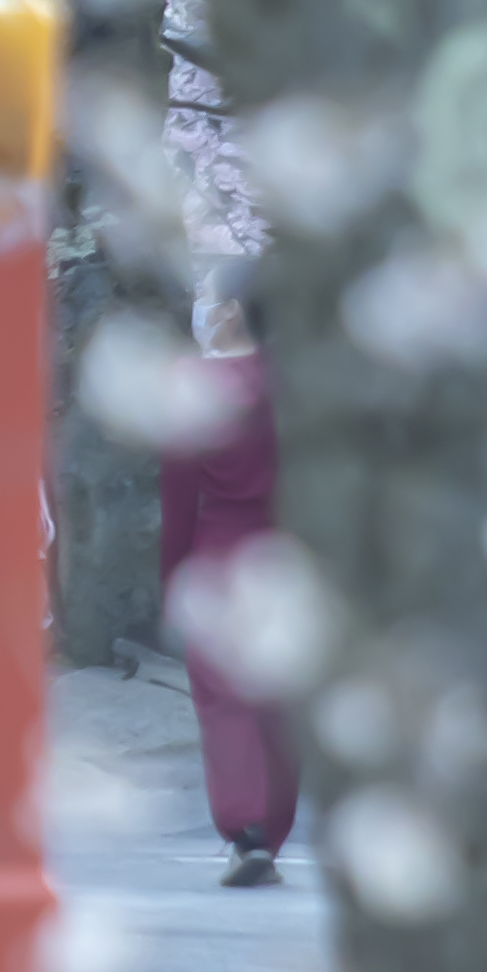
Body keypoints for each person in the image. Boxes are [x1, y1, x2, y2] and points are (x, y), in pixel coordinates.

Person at [158, 265, 298, 884]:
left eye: (211, 300)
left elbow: (178, 495)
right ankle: (272, 830)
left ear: (234, 310)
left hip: (217, 551)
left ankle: (245, 828)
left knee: (224, 698)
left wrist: (172, 575)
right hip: (286, 553)